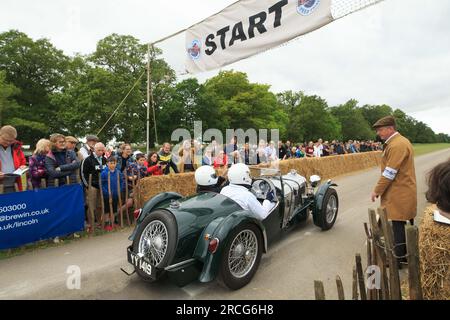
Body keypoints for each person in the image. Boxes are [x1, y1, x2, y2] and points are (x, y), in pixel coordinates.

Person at [370, 115, 417, 268]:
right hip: (399, 190)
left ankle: (397, 260)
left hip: (399, 191)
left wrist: (377, 190)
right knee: (400, 224)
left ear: (391, 128)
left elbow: (390, 172)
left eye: (381, 130)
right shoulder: (397, 142)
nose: (379, 133)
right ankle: (402, 257)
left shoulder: (397, 145)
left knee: (398, 225)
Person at [80, 142, 107, 230]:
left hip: (102, 186)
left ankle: (99, 223)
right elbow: (83, 173)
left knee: (100, 205)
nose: (100, 152)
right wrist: (87, 185)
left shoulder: (104, 159)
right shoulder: (87, 159)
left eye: (102, 150)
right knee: (92, 206)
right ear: (94, 150)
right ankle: (91, 224)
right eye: (98, 150)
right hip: (92, 185)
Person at [101, 157, 130, 231]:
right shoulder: (104, 173)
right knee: (107, 209)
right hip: (107, 195)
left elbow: (122, 182)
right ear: (107, 164)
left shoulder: (118, 172)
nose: (113, 165)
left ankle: (112, 222)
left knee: (114, 209)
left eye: (114, 163)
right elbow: (102, 184)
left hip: (116, 194)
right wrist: (106, 192)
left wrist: (119, 190)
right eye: (111, 163)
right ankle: (107, 223)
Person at [0, 125, 27, 193]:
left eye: (11, 141)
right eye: (5, 140)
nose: (8, 143)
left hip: (14, 184)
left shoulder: (17, 147)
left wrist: (23, 167)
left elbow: (22, 162)